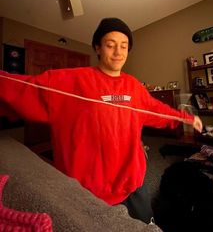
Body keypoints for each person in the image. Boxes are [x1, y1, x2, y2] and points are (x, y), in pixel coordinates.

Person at [0, 18, 202, 224]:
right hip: (88, 190)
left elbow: (155, 110)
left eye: (124, 46)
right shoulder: (69, 81)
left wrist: (185, 118)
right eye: (110, 45)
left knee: (146, 227)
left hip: (133, 181)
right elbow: (19, 88)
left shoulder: (133, 86)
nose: (118, 52)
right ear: (98, 48)